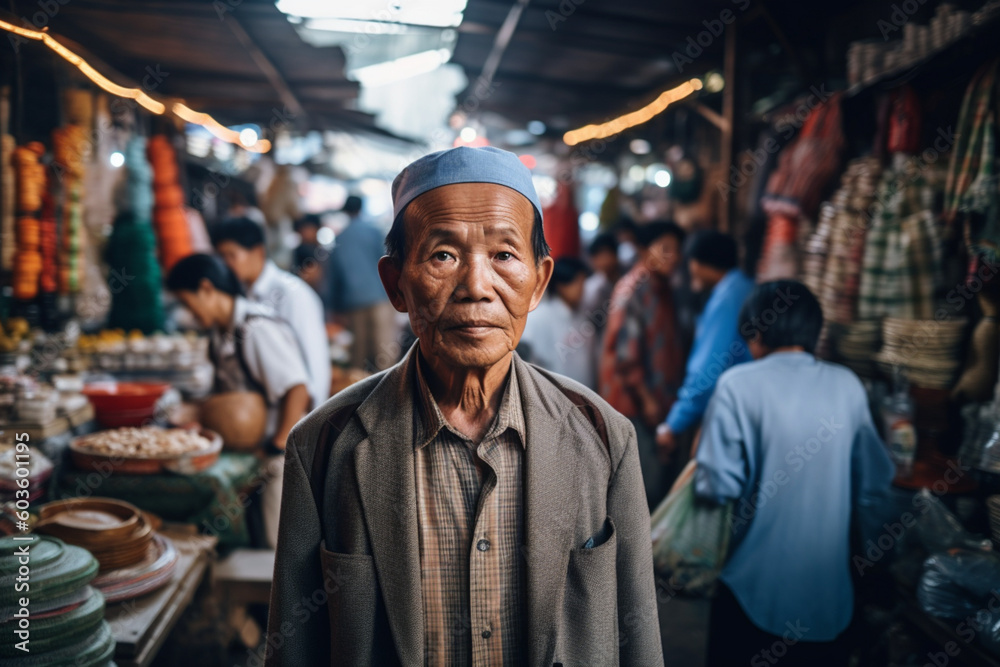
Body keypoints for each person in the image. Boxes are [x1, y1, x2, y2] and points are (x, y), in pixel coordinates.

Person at [265, 146, 663, 667]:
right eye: (443, 256)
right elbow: (294, 651)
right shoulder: (323, 445)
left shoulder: (603, 436)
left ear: (538, 281)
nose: (477, 287)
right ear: (396, 284)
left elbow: (639, 639)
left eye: (504, 255)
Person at [695, 280, 895, 667]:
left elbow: (717, 486)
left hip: (749, 592)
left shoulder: (737, 385)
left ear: (756, 330)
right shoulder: (847, 386)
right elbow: (874, 489)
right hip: (829, 600)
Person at [165, 254, 312, 548]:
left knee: (278, 545)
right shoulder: (220, 335)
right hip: (253, 452)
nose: (188, 313)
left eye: (186, 301)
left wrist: (277, 446)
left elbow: (298, 388)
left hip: (280, 454)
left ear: (206, 288)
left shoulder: (255, 328)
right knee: (254, 537)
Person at [599, 220, 687, 507]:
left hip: (657, 406)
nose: (673, 257)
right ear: (645, 250)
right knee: (641, 495)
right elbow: (626, 358)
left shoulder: (663, 288)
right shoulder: (635, 289)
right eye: (665, 249)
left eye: (677, 251)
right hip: (635, 408)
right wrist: (649, 405)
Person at [210, 217, 330, 410]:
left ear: (258, 252)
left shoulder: (291, 294)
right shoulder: (243, 293)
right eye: (221, 257)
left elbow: (313, 360)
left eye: (231, 255)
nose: (225, 265)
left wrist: (312, 422)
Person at [656, 230, 754, 462]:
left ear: (697, 263)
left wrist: (674, 424)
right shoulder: (743, 287)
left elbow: (708, 368)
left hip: (731, 414)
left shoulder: (726, 299)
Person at [327, 195, 398, 371]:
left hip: (352, 301)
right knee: (384, 350)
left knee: (359, 353)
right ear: (361, 208)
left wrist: (334, 307)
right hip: (380, 296)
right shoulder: (373, 231)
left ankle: (360, 392)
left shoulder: (340, 238)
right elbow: (388, 262)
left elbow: (333, 276)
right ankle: (388, 390)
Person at [519, 256, 596, 387]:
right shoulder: (539, 317)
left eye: (583, 283)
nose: (582, 289)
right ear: (561, 285)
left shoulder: (582, 316)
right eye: (577, 283)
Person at [291, 213, 325, 291]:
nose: (306, 233)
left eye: (309, 229)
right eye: (303, 230)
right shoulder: (297, 252)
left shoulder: (323, 253)